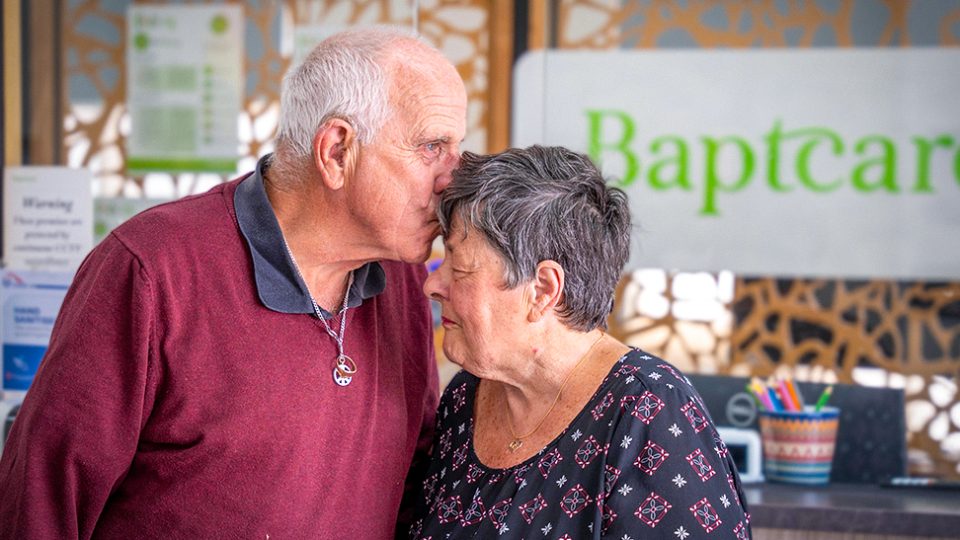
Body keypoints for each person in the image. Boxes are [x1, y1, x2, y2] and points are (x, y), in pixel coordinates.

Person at [0, 27, 466, 539]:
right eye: (431, 147)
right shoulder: (151, 270)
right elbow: (41, 502)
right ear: (336, 151)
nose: (453, 180)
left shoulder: (399, 279)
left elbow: (413, 479)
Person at [411, 146, 751, 539]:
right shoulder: (465, 397)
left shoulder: (649, 412)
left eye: (460, 266)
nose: (433, 284)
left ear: (542, 290)